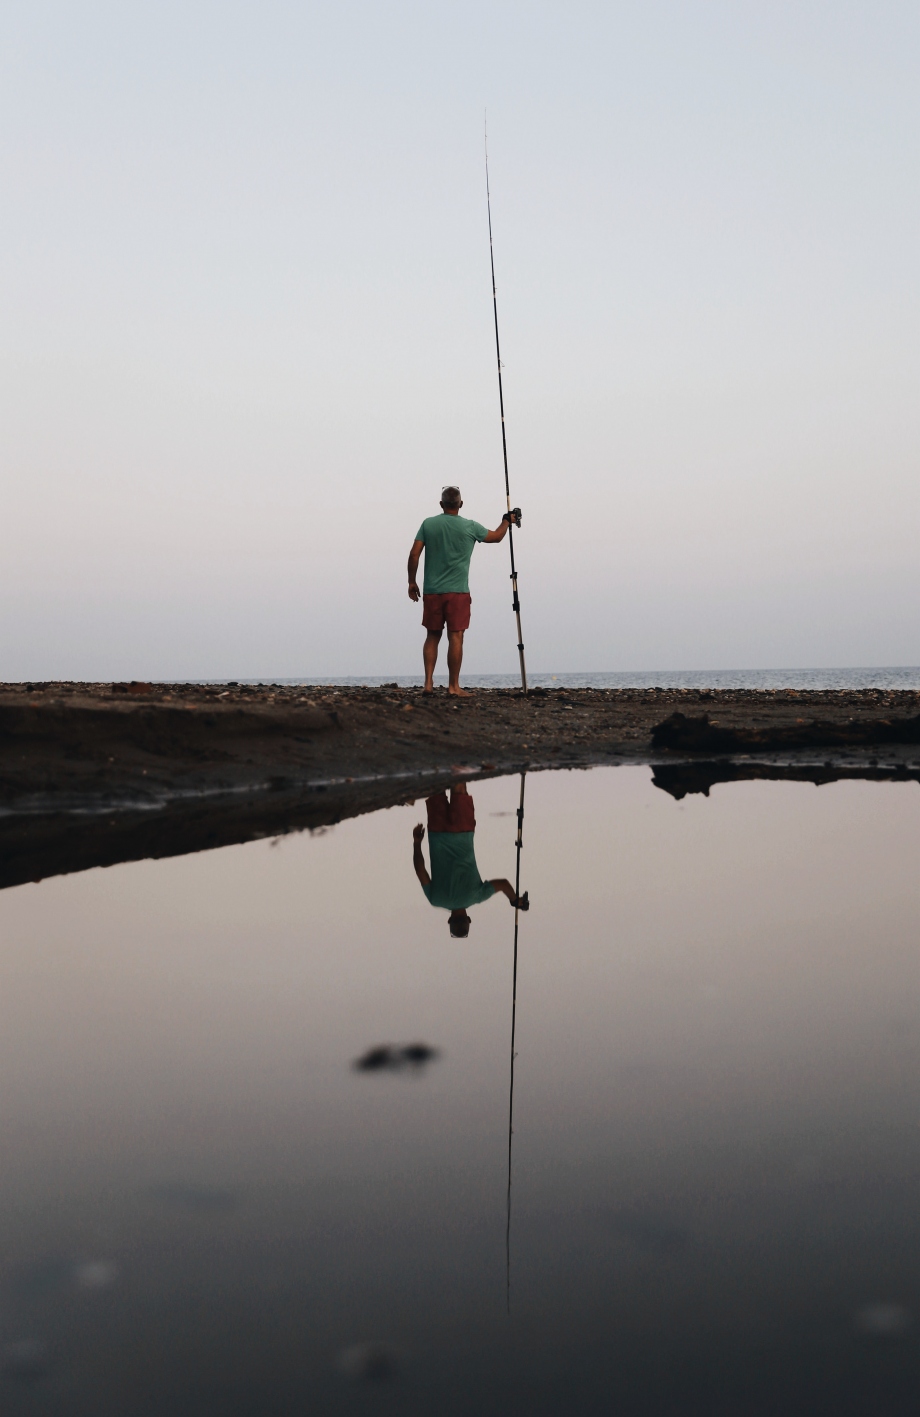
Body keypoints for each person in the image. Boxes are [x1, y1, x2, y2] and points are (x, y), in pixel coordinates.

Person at [407, 485, 520, 695]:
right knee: (456, 637)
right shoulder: (470, 526)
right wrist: (507, 521)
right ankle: (453, 687)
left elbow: (414, 554)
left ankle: (428, 684)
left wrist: (411, 582)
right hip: (458, 592)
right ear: (460, 504)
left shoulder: (428, 524)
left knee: (432, 635)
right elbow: (496, 537)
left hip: (432, 591)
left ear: (441, 504)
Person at [413, 782, 528, 938]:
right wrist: (417, 842)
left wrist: (514, 900)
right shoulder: (435, 899)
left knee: (458, 787)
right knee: (436, 785)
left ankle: (456, 760)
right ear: (449, 921)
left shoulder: (476, 895)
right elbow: (420, 870)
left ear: (468, 919)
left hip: (463, 831)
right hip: (437, 833)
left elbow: (503, 884)